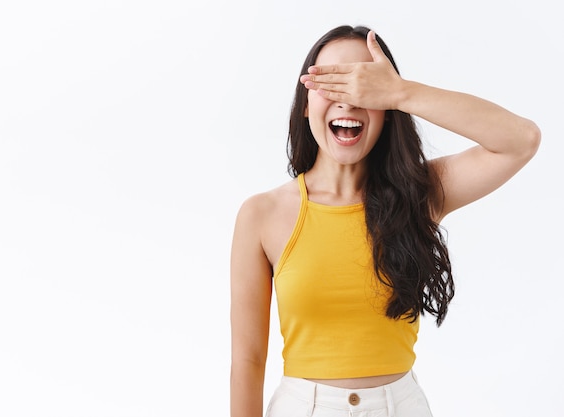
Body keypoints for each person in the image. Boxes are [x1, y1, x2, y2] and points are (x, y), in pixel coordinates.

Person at [229, 25, 540, 417]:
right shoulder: (261, 215)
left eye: (363, 86)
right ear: (305, 103)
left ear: (388, 111)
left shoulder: (419, 195)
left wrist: (401, 92)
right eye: (332, 83)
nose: (348, 98)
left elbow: (521, 140)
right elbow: (248, 361)